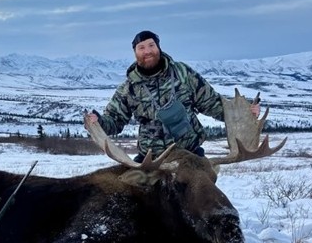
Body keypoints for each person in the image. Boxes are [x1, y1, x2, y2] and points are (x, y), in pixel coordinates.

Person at [86, 30, 260, 162]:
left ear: (159, 48)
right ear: (135, 53)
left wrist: (245, 113)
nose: (147, 51)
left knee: (202, 196)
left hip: (188, 154)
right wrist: (99, 122)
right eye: (141, 48)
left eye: (151, 45)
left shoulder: (183, 73)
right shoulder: (129, 88)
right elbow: (114, 121)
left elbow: (212, 103)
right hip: (151, 159)